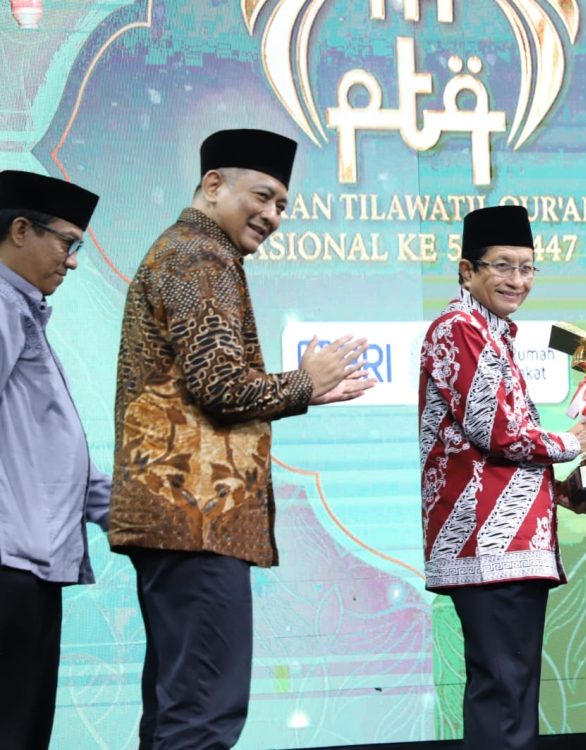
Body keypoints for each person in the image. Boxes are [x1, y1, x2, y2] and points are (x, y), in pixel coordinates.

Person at [108, 128, 372, 750]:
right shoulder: (201, 258)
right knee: (202, 714)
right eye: (262, 195)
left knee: (179, 709)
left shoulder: (184, 252)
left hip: (181, 518)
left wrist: (302, 392)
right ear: (213, 185)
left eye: (282, 204)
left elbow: (203, 385)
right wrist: (304, 382)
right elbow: (220, 385)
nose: (273, 215)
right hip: (197, 517)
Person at [418, 204, 586, 750]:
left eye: (527, 268)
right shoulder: (459, 328)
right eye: (503, 266)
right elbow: (497, 432)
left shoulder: (490, 331)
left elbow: (495, 452)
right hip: (489, 544)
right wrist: (578, 441)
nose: (518, 280)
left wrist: (563, 492)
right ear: (467, 271)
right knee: (505, 699)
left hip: (506, 543)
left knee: (509, 695)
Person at [0, 170, 105, 750]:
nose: (72, 261)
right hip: (9, 569)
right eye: (68, 242)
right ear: (21, 230)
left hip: (26, 567)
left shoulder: (23, 309)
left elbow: (51, 453)